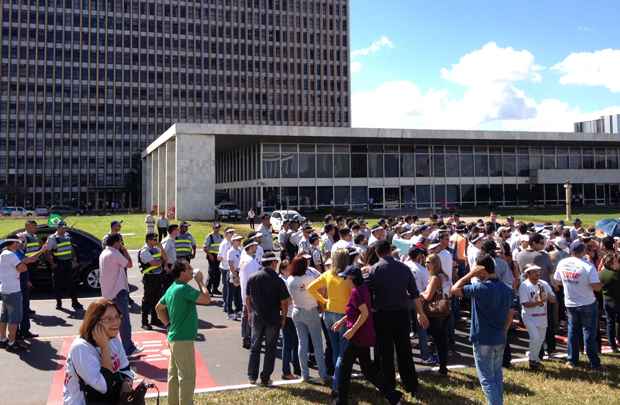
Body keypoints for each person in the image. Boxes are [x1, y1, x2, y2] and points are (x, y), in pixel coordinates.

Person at [331, 266, 403, 405]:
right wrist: (342, 321)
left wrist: (352, 331)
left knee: (345, 370)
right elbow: (356, 311)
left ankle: (341, 401)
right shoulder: (362, 289)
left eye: (345, 277)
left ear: (352, 279)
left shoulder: (356, 292)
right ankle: (393, 396)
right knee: (368, 371)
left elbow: (364, 314)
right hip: (364, 336)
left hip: (357, 337)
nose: (344, 280)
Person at [368, 240, 429, 396]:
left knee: (385, 352)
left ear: (377, 252)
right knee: (404, 350)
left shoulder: (374, 270)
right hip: (401, 315)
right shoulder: (404, 268)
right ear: (390, 250)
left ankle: (389, 385)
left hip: (382, 315)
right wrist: (420, 313)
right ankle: (411, 384)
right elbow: (414, 293)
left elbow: (368, 293)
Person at [451, 255, 513, 405]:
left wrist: (469, 274)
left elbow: (454, 290)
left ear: (482, 270)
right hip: (499, 337)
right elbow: (511, 313)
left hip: (483, 338)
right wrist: (504, 331)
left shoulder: (479, 288)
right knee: (496, 375)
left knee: (486, 379)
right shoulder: (506, 289)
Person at [156, 261, 211, 405]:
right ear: (182, 273)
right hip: (183, 339)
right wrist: (200, 282)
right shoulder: (184, 288)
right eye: (189, 268)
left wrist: (168, 324)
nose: (192, 270)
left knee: (173, 376)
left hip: (174, 337)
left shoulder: (172, 288)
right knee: (187, 377)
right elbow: (206, 299)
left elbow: (158, 308)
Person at [63, 299, 134, 405]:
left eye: (117, 316)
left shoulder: (113, 339)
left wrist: (126, 382)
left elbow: (126, 369)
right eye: (108, 319)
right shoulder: (81, 348)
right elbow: (104, 387)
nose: (115, 322)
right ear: (94, 322)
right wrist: (105, 348)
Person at [306, 249, 352, 395]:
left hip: (328, 315)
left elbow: (310, 288)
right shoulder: (349, 276)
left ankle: (336, 380)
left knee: (335, 349)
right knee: (342, 352)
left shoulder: (327, 274)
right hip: (343, 315)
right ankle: (338, 384)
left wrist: (324, 300)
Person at [554, 240, 602, 369]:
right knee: (589, 333)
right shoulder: (587, 266)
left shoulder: (562, 263)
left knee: (573, 332)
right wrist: (601, 282)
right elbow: (596, 287)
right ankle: (594, 362)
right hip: (587, 303)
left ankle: (572, 360)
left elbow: (557, 281)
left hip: (570, 302)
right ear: (583, 251)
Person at [245, 252, 290, 386]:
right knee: (270, 348)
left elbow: (247, 298)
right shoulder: (278, 280)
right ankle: (265, 377)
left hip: (257, 317)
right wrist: (283, 317)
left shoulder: (253, 277)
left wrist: (249, 312)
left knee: (255, 347)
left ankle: (252, 376)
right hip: (273, 318)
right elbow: (284, 301)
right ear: (273, 263)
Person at [286, 255, 328, 383]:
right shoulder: (309, 278)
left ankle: (304, 374)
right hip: (311, 311)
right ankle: (323, 374)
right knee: (317, 345)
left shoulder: (290, 279)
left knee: (302, 343)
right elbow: (321, 290)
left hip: (297, 311)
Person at [0, 239, 46, 352]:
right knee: (14, 319)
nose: (19, 244)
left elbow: (23, 264)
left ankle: (2, 339)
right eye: (17, 242)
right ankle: (11, 343)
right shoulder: (12, 255)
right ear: (11, 244)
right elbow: (23, 268)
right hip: (14, 290)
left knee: (4, 317)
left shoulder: (3, 254)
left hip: (4, 289)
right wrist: (22, 265)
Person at [99, 233, 140, 356]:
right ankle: (128, 348)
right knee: (124, 321)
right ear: (116, 242)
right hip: (118, 292)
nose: (121, 244)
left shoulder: (103, 253)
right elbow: (129, 264)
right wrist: (124, 250)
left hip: (108, 293)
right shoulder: (115, 253)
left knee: (110, 321)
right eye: (120, 242)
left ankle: (110, 348)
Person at [519, 265, 556, 370]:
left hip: (542, 316)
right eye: (534, 272)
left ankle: (534, 360)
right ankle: (533, 360)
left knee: (540, 340)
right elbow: (525, 304)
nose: (537, 274)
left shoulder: (544, 284)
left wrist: (547, 295)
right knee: (535, 337)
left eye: (538, 271)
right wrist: (539, 302)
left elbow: (553, 300)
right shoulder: (524, 286)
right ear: (528, 274)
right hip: (529, 317)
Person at [420, 254, 451, 375]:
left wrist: (420, 294)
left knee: (438, 340)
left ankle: (442, 367)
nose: (426, 264)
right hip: (445, 310)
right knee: (442, 339)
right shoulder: (444, 276)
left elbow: (428, 296)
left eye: (428, 262)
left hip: (436, 312)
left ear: (435, 264)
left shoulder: (435, 278)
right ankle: (443, 366)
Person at [46, 221, 83, 311]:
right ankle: (59, 304)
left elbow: (71, 248)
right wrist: (52, 264)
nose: (64, 230)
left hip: (68, 263)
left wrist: (74, 260)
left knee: (71, 284)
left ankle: (75, 302)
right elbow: (48, 252)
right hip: (58, 264)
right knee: (57, 285)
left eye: (65, 228)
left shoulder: (67, 236)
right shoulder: (52, 238)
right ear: (58, 228)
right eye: (62, 228)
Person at [17, 220, 42, 338]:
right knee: (25, 291)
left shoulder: (35, 237)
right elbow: (22, 257)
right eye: (33, 226)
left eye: (35, 226)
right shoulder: (22, 237)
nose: (35, 228)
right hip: (26, 266)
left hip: (33, 265)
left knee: (29, 291)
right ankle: (22, 331)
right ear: (27, 226)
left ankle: (27, 307)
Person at [138, 233, 167, 330]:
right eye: (154, 239)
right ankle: (144, 322)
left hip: (158, 276)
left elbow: (165, 258)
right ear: (148, 240)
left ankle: (154, 319)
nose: (156, 241)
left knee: (157, 299)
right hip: (149, 278)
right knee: (147, 300)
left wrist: (161, 248)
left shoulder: (156, 249)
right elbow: (155, 263)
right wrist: (161, 262)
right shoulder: (144, 251)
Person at [279, 258, 301, 380]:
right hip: (287, 316)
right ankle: (286, 371)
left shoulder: (289, 280)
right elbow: (287, 300)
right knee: (287, 344)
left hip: (293, 315)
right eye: (288, 269)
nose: (291, 271)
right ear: (282, 270)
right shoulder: (282, 281)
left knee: (296, 342)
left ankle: (297, 368)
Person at [240, 238, 261, 349]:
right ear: (250, 247)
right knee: (251, 316)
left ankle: (246, 337)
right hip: (252, 294)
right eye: (254, 246)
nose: (256, 247)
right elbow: (255, 279)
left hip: (245, 293)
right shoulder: (251, 262)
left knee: (246, 315)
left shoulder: (244, 259)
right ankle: (250, 338)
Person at [599, 253, 620, 353]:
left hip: (606, 300)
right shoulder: (615, 275)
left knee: (609, 322)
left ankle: (612, 344)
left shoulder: (601, 273)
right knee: (617, 322)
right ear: (612, 264)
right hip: (617, 301)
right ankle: (618, 340)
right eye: (616, 262)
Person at [217, 228, 235, 314]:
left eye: (233, 232)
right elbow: (220, 256)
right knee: (227, 287)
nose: (232, 234)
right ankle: (226, 304)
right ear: (226, 234)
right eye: (230, 232)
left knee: (231, 287)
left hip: (231, 268)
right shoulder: (224, 244)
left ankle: (229, 303)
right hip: (225, 268)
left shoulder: (233, 242)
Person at [226, 235, 244, 321]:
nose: (239, 242)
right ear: (233, 241)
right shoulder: (231, 251)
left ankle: (238, 310)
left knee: (238, 294)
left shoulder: (240, 250)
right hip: (234, 274)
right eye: (237, 240)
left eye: (240, 240)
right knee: (231, 294)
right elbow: (231, 264)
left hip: (240, 273)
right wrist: (235, 276)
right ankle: (230, 312)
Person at [203, 223, 223, 295]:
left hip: (219, 257)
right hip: (212, 256)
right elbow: (205, 248)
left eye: (218, 228)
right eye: (216, 228)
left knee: (218, 273)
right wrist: (209, 254)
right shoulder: (209, 236)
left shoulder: (221, 236)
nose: (217, 229)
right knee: (211, 273)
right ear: (213, 228)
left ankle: (215, 289)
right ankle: (207, 289)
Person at [161, 224, 180, 292]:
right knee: (167, 286)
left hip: (172, 266)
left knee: (171, 286)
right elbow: (162, 253)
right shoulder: (168, 241)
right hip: (168, 266)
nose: (179, 231)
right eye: (177, 230)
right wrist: (166, 266)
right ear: (173, 231)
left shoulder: (172, 240)